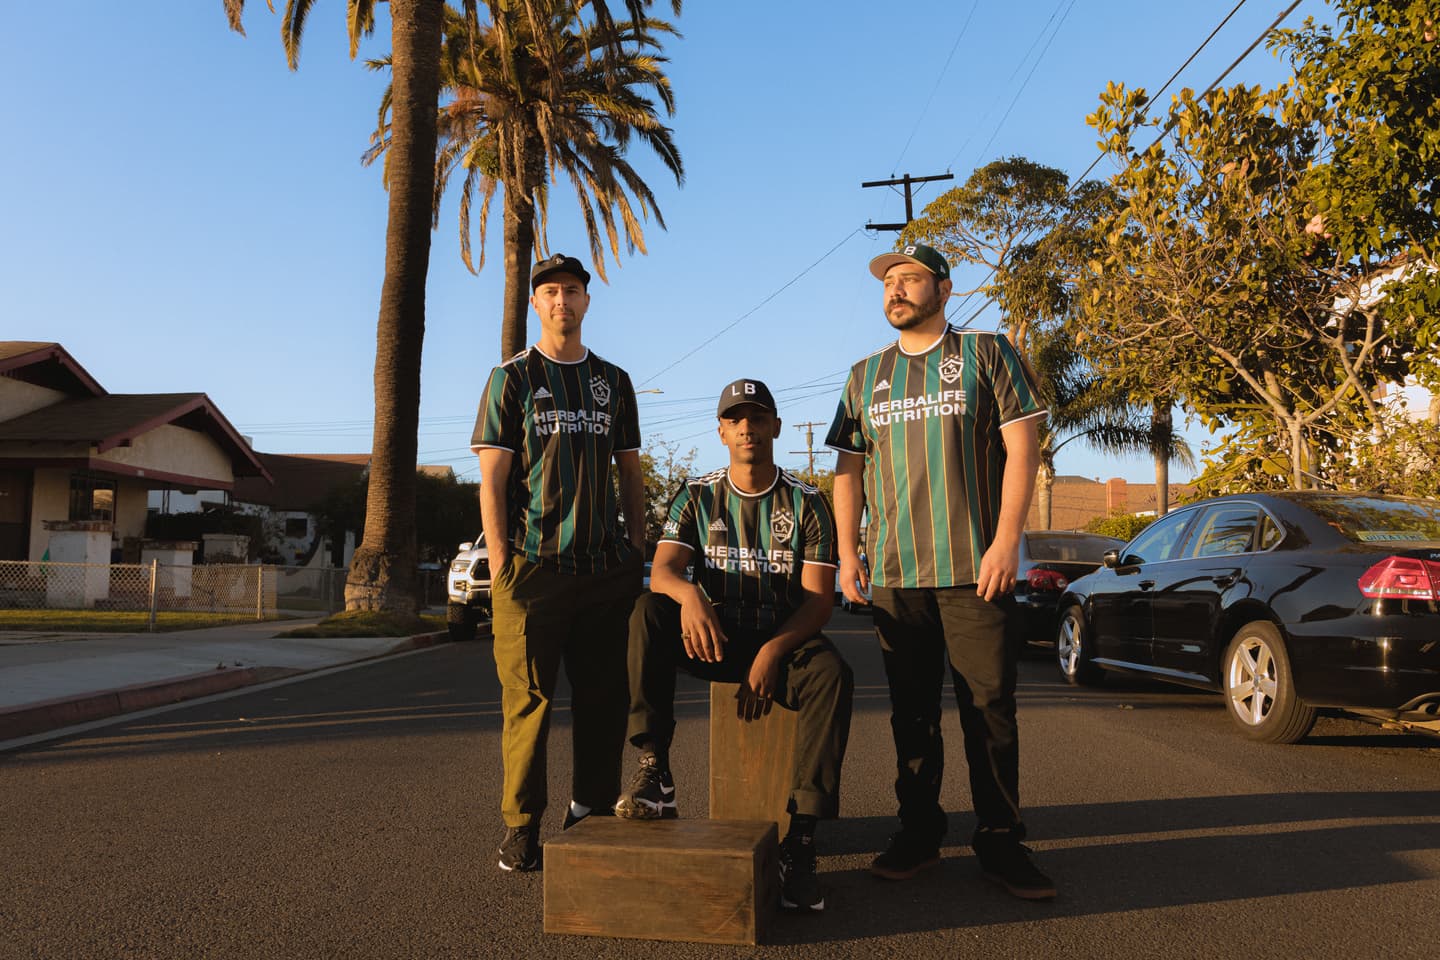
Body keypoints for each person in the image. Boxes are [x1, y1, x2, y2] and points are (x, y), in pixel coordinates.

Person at [824, 243, 1055, 900]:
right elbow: (849, 468)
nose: (896, 290)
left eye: (911, 279)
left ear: (944, 290)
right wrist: (848, 551)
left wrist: (1007, 539)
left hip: (974, 568)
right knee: (912, 714)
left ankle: (1002, 841)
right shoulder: (865, 375)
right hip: (897, 575)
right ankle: (919, 832)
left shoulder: (986, 355)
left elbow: (1022, 447)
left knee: (989, 710)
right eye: (889, 282)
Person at [616, 378, 854, 913]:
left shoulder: (808, 502)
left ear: (775, 427)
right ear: (721, 431)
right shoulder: (697, 494)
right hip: (714, 640)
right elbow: (663, 572)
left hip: (781, 640)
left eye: (757, 417)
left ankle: (803, 841)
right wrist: (690, 596)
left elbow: (818, 605)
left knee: (833, 674)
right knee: (649, 613)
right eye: (735, 418)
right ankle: (656, 772)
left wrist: (771, 651)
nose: (747, 427)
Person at [471, 253, 646, 873]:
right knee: (529, 701)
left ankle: (590, 808)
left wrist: (636, 550)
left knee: (603, 697)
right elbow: (490, 480)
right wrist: (501, 561)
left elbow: (629, 472)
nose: (561, 301)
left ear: (586, 302)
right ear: (535, 304)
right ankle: (522, 825)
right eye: (549, 292)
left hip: (604, 569)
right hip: (533, 567)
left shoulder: (613, 382)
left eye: (571, 290)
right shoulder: (511, 378)